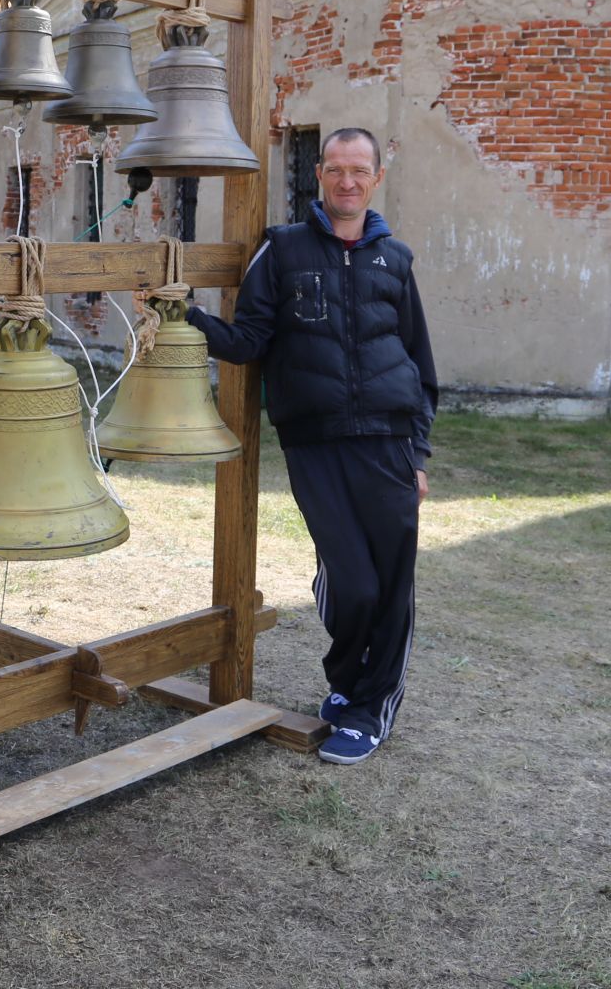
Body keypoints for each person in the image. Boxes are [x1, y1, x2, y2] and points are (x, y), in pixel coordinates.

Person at [186, 127, 436, 766]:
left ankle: (368, 708)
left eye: (360, 170)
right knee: (352, 584)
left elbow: (419, 363)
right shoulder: (284, 249)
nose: (347, 181)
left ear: (377, 176)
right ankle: (346, 680)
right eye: (335, 169)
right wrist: (180, 315)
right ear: (318, 175)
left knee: (392, 589)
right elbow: (248, 342)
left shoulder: (395, 260)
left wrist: (417, 454)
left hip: (387, 445)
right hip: (316, 444)